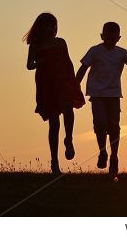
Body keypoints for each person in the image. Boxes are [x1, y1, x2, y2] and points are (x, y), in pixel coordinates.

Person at [76, 22, 127, 177]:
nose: (110, 40)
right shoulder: (95, 51)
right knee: (100, 123)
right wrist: (74, 87)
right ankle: (102, 152)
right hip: (97, 94)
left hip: (114, 94)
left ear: (118, 38)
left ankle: (114, 157)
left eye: (113, 37)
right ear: (102, 36)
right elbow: (83, 68)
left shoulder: (121, 53)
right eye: (107, 36)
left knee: (114, 126)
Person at [24, 13, 85, 175]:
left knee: (68, 109)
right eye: (48, 26)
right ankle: (54, 162)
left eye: (54, 26)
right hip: (46, 84)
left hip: (63, 80)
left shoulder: (61, 42)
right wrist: (42, 62)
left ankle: (69, 139)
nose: (52, 29)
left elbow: (69, 62)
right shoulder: (36, 45)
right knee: (54, 123)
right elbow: (29, 65)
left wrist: (74, 83)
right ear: (41, 28)